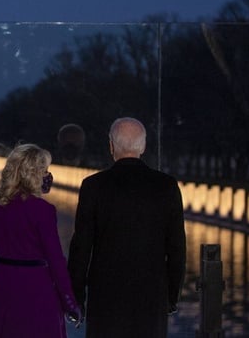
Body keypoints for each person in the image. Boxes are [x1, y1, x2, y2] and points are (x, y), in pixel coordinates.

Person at [67, 117, 186, 338]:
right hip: (151, 295)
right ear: (143, 146)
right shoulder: (166, 186)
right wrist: (170, 297)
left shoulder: (94, 186)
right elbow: (177, 247)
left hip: (106, 295)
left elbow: (81, 247)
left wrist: (76, 297)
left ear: (111, 145)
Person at [0, 143, 81, 337]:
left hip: (3, 287)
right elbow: (56, 260)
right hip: (37, 288)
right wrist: (69, 301)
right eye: (45, 170)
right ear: (34, 174)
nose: (48, 175)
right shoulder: (42, 210)